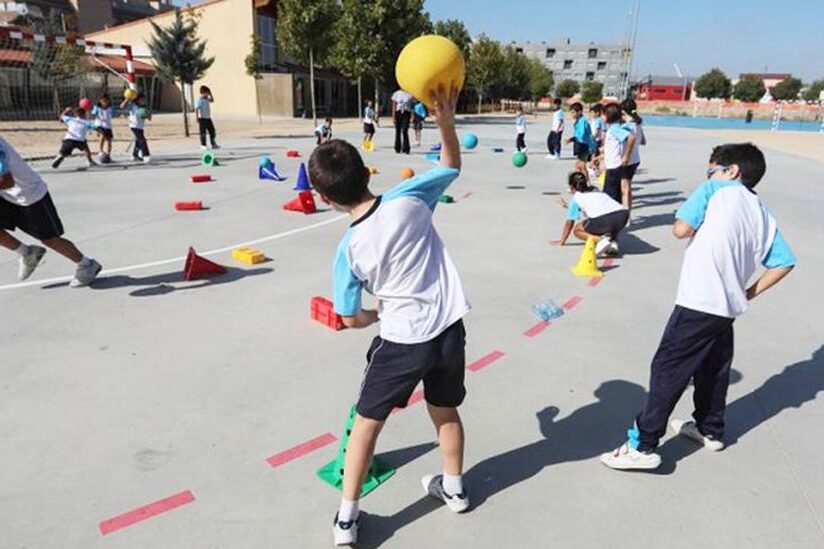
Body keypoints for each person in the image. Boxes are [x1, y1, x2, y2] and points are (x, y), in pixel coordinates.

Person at [308, 85, 470, 546]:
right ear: (365, 170)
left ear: (324, 197)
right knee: (446, 410)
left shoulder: (348, 249)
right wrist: (444, 123)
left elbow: (349, 318)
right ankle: (454, 488)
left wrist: (376, 314)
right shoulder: (408, 197)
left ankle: (346, 520)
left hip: (401, 340)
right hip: (448, 330)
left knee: (366, 425)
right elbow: (451, 166)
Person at [600, 143, 796, 471]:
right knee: (713, 369)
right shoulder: (761, 210)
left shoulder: (713, 189)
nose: (708, 175)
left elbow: (680, 230)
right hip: (727, 306)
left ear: (731, 171)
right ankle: (709, 428)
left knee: (668, 368)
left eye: (711, 170)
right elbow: (784, 262)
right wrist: (747, 292)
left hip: (699, 301)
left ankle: (643, 444)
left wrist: (695, 215)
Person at [1, 136, 102, 287]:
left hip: (29, 194)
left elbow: (7, 181)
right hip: (6, 195)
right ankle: (27, 253)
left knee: (49, 239)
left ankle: (87, 264)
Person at [553, 171, 627, 255]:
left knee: (577, 230)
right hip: (623, 215)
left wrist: (562, 241)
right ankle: (613, 243)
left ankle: (601, 241)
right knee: (609, 221)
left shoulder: (576, 198)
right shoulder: (595, 189)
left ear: (571, 187)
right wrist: (567, 206)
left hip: (605, 219)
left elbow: (569, 222)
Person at [601, 103, 636, 209]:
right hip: (613, 166)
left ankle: (612, 221)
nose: (602, 117)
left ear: (609, 115)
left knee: (609, 197)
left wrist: (626, 156)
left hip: (614, 167)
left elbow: (631, 138)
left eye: (603, 114)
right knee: (614, 196)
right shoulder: (616, 127)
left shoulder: (614, 129)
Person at [566, 102, 597, 176]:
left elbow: (582, 135)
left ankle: (585, 184)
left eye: (573, 112)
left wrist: (572, 139)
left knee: (582, 166)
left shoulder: (583, 121)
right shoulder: (579, 121)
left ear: (579, 112)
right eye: (571, 112)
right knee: (578, 165)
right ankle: (580, 183)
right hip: (580, 144)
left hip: (585, 145)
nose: (572, 114)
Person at [120, 93, 151, 164]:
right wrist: (127, 99)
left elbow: (149, 117)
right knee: (142, 140)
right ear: (137, 100)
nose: (144, 101)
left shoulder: (144, 107)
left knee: (138, 141)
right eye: (142, 99)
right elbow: (122, 106)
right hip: (134, 126)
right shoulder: (132, 105)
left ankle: (134, 155)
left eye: (144, 100)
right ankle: (146, 155)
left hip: (140, 127)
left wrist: (147, 115)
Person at [621, 99, 646, 186]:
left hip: (627, 159)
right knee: (628, 184)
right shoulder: (638, 124)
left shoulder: (626, 126)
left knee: (624, 186)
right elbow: (643, 141)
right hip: (636, 158)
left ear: (623, 111)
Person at [391, 88, 414, 154]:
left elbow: (412, 106)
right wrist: (393, 117)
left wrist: (412, 115)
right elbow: (394, 106)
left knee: (405, 131)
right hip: (398, 113)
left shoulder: (409, 94)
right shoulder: (396, 93)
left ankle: (406, 148)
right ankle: (397, 148)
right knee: (397, 131)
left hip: (406, 113)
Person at [92, 95, 114, 162]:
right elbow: (93, 114)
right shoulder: (97, 107)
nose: (105, 102)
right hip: (99, 124)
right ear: (100, 101)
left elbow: (112, 115)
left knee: (109, 141)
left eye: (106, 100)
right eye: (103, 101)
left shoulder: (110, 108)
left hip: (108, 126)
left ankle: (108, 154)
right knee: (102, 135)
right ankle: (100, 150)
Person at [196, 85, 219, 150]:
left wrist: (210, 93)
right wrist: (197, 117)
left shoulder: (207, 99)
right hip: (202, 118)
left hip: (208, 118)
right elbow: (197, 109)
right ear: (203, 92)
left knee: (212, 131)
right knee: (203, 132)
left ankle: (213, 144)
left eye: (208, 92)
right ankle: (203, 145)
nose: (207, 94)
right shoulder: (200, 100)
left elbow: (212, 100)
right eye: (207, 92)